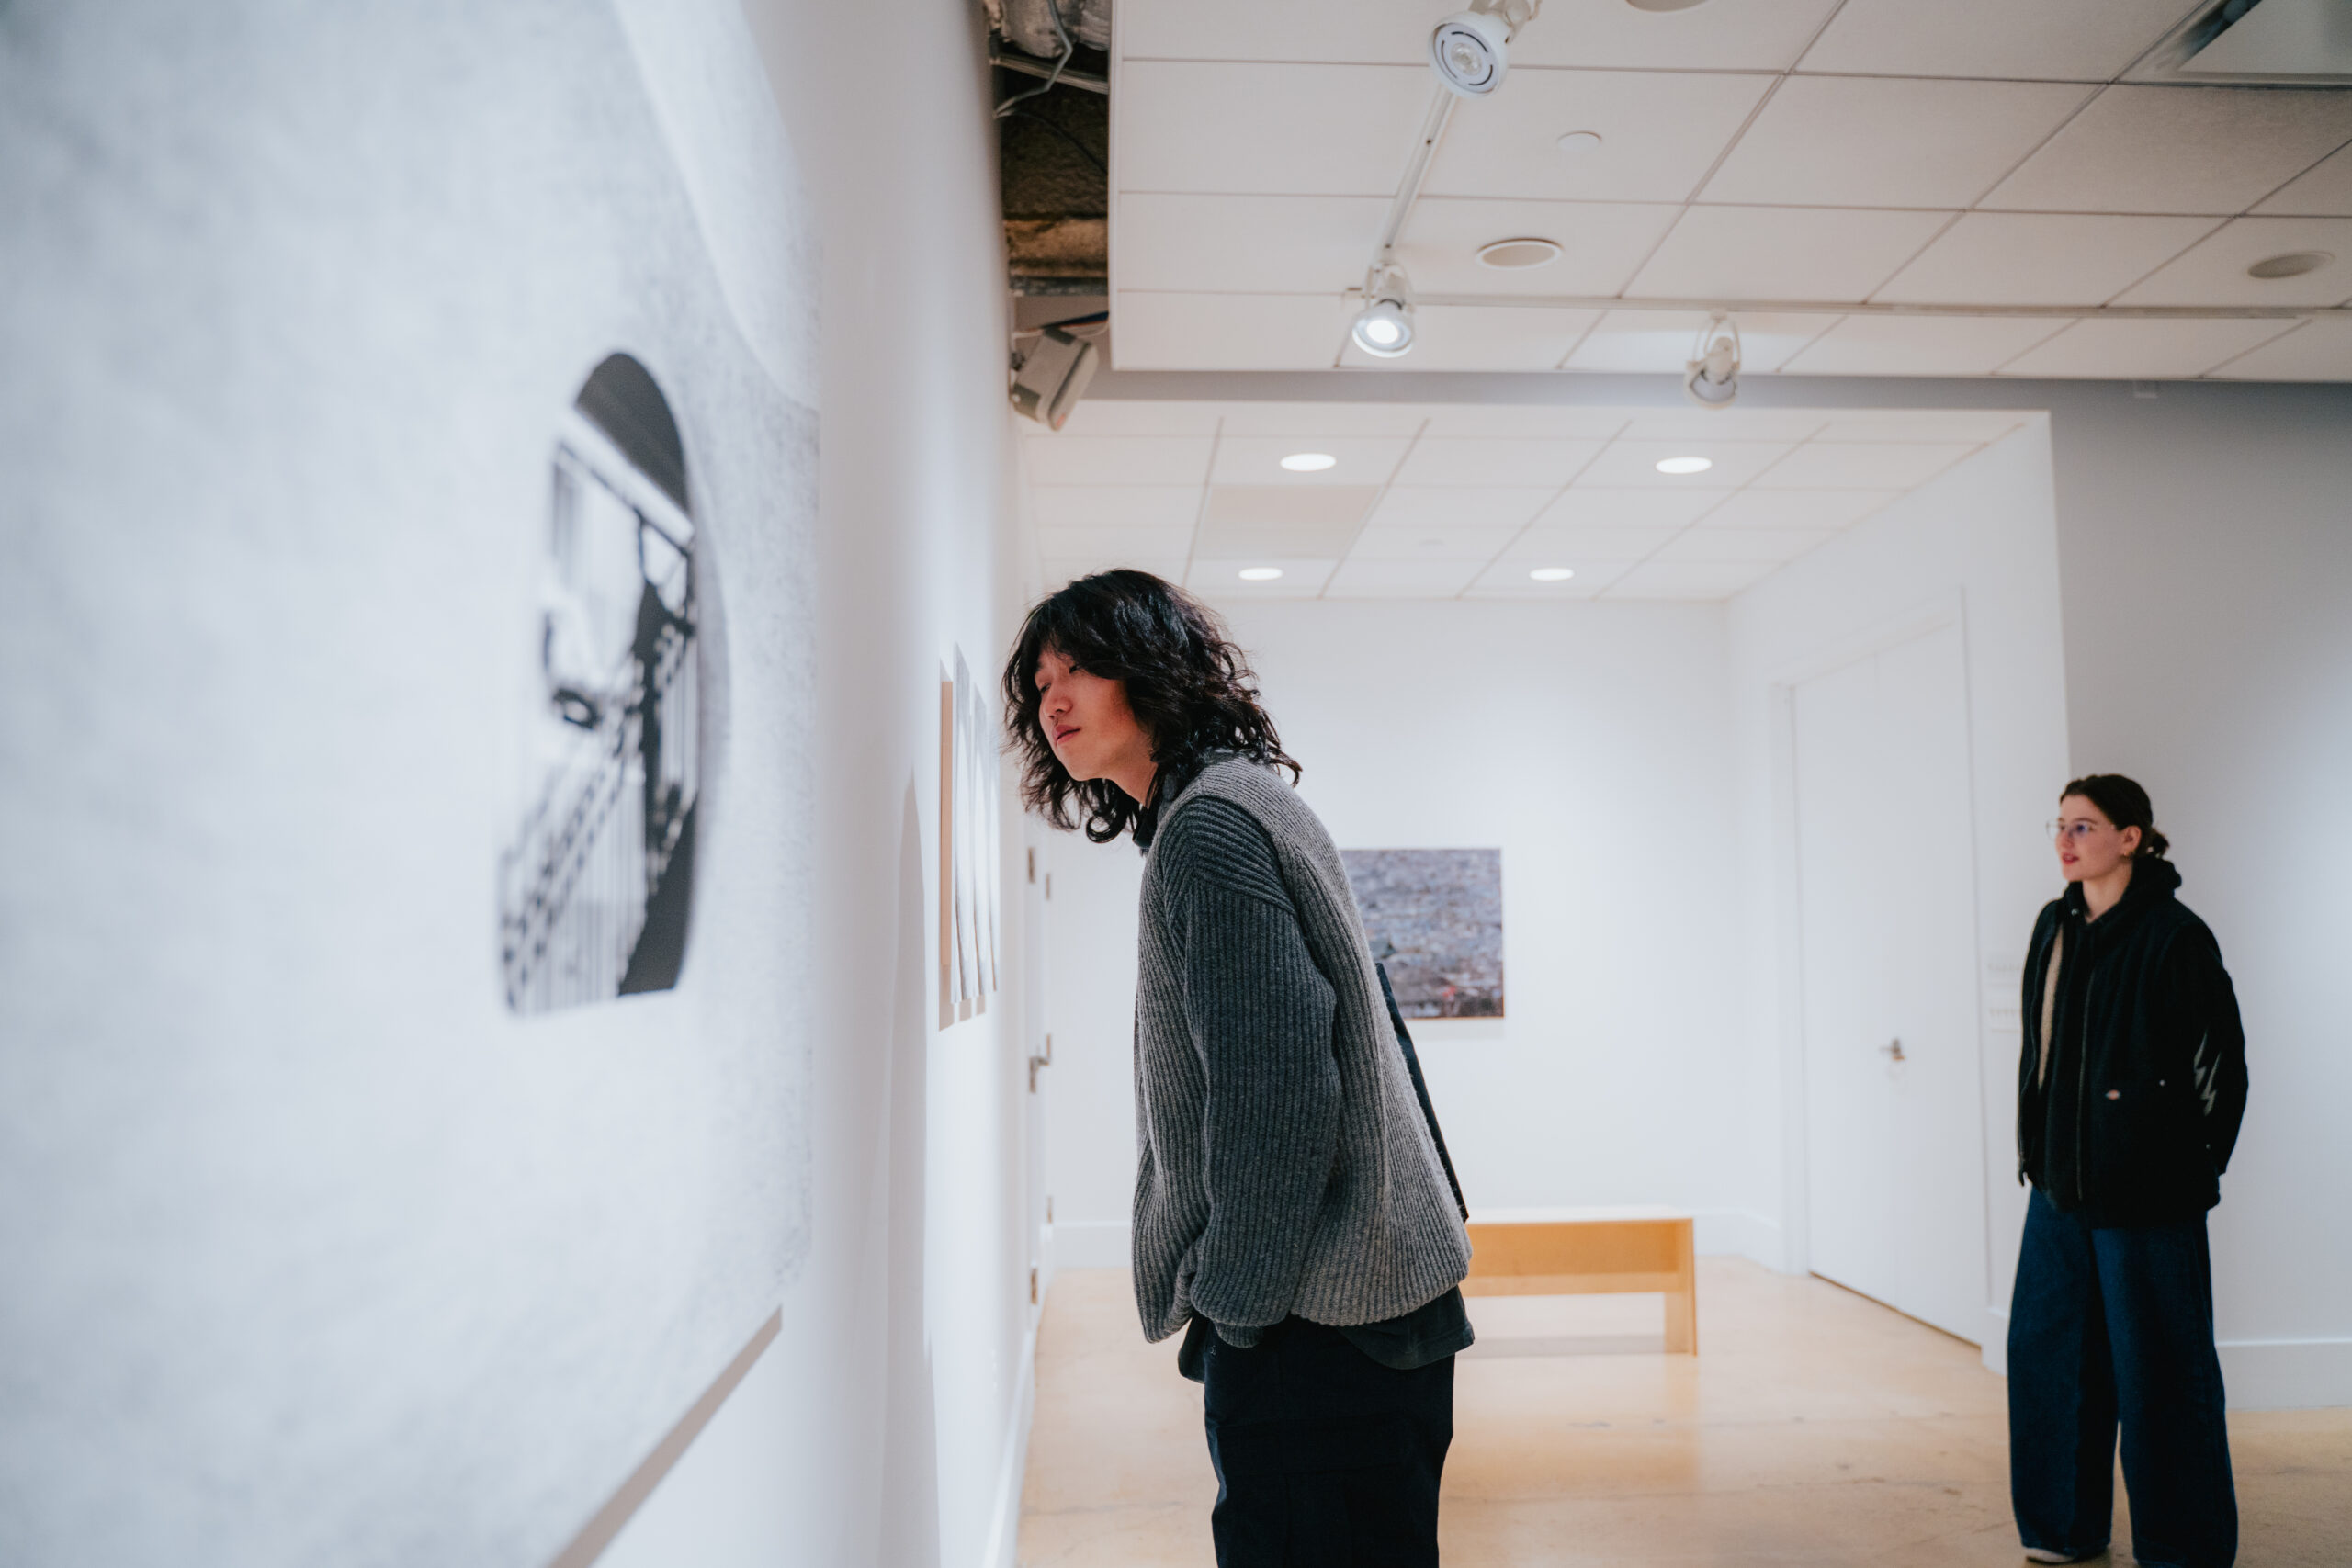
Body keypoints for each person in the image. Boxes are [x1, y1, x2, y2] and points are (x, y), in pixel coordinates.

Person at [1002, 570, 1475, 1568]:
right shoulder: (1242, 801)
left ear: (1152, 670)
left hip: (1319, 1322)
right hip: (1372, 1300)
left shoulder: (1209, 831)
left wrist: (1238, 1309)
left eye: (1082, 667)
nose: (1055, 698)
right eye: (1040, 677)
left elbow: (1279, 1091)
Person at [2009, 774, 2247, 1568]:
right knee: (2051, 1363)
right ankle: (2063, 1527)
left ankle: (2183, 1549)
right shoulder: (2055, 925)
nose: (2066, 840)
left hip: (2148, 1199)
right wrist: (2038, 1151)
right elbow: (2040, 1052)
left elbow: (2222, 1068)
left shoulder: (2176, 935)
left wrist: (2189, 1169)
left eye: (2084, 825)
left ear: (2131, 837)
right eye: (2061, 825)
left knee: (2162, 1379)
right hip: (2059, 1189)